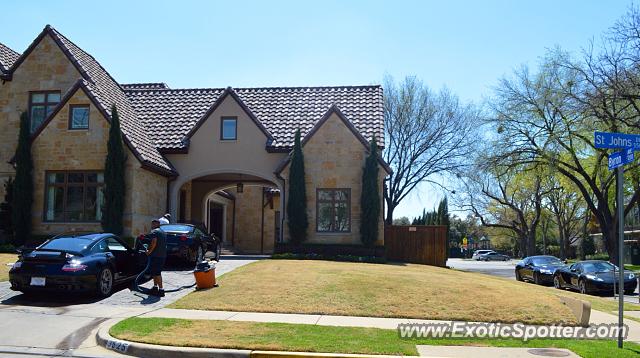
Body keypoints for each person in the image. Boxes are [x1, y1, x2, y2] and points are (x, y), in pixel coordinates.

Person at [146, 219, 167, 297]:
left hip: (156, 256)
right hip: (162, 255)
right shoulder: (163, 232)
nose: (151, 226)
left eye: (152, 224)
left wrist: (149, 251)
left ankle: (161, 290)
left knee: (157, 273)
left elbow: (154, 242)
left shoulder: (154, 232)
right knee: (155, 272)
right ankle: (155, 288)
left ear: (155, 224)